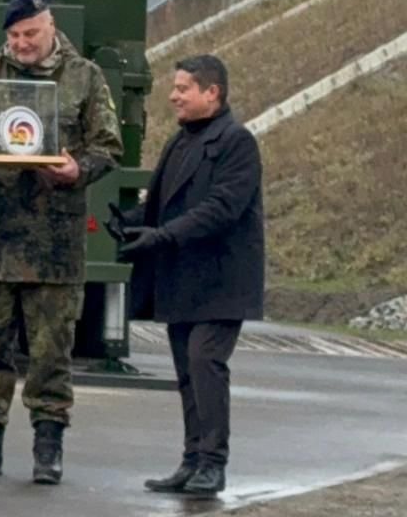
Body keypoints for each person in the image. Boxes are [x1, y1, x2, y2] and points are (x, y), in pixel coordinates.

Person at [0, 0, 122, 486]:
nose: (22, 44)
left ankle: (49, 445)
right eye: (14, 36)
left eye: (31, 34)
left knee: (51, 351)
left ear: (51, 28)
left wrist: (78, 168)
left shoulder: (84, 76)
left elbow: (108, 146)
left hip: (53, 239)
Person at [117, 54, 264, 500]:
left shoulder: (238, 142)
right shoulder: (180, 142)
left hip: (222, 280)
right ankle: (191, 461)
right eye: (175, 87)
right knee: (186, 370)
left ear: (211, 92)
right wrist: (125, 222)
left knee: (205, 363)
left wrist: (161, 236)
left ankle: (213, 465)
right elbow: (161, 205)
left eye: (183, 87)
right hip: (182, 277)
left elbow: (221, 209)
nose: (174, 95)